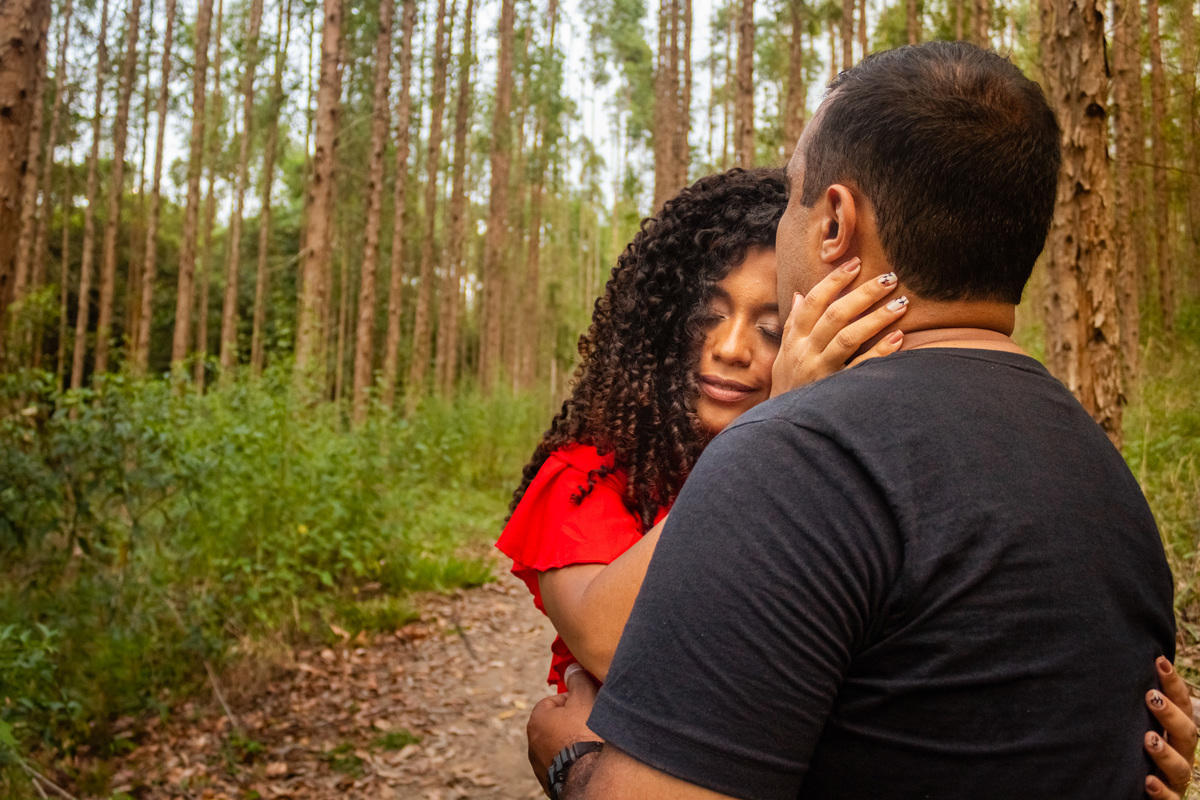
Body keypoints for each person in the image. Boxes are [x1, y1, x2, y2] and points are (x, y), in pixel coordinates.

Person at [524, 41, 1197, 800]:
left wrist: (571, 760)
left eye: (793, 198)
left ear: (834, 222)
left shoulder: (792, 461)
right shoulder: (1103, 472)